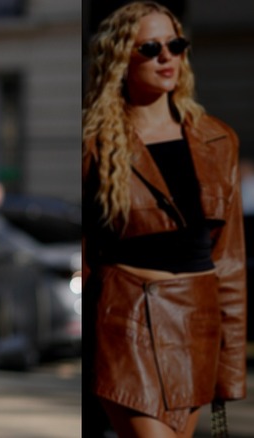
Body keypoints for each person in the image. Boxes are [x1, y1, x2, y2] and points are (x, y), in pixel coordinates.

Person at [82, 2, 247, 437]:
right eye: (150, 48)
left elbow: (229, 263)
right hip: (128, 321)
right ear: (120, 58)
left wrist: (230, 371)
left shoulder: (218, 139)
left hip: (197, 323)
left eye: (176, 45)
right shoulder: (94, 144)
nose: (166, 57)